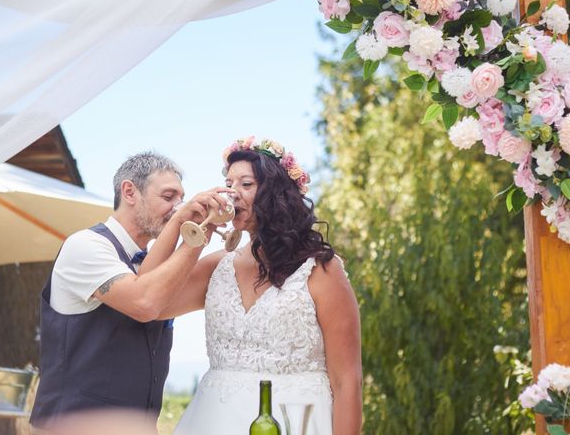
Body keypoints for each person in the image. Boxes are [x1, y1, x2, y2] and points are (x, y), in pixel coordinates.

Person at [163, 138, 363, 435]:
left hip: (298, 422)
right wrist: (191, 229)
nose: (232, 193)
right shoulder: (217, 266)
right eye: (228, 183)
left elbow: (348, 380)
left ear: (276, 193)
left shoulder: (322, 270)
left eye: (246, 184)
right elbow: (153, 303)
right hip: (213, 422)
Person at [30, 152, 231, 430]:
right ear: (129, 192)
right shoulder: (85, 245)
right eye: (168, 196)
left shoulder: (156, 267)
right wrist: (194, 238)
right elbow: (144, 303)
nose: (178, 208)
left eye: (181, 199)